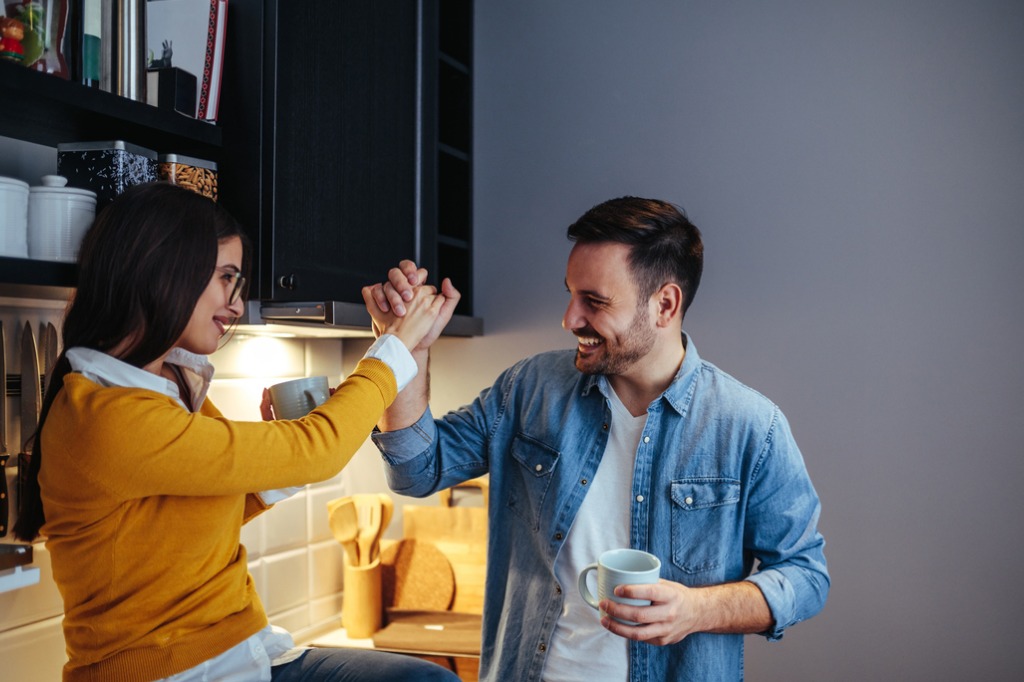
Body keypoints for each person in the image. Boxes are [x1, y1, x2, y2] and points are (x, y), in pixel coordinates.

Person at [362, 196, 830, 682]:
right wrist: (403, 352)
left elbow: (806, 576)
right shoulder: (529, 389)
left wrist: (697, 610)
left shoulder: (750, 425)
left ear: (665, 304)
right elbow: (416, 471)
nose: (569, 319)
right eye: (570, 294)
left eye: (595, 301)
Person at [13, 182, 462, 682]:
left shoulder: (167, 382)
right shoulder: (106, 414)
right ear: (165, 267)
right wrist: (395, 348)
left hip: (244, 654)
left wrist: (278, 459)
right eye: (226, 276)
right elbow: (320, 450)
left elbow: (201, 514)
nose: (236, 300)